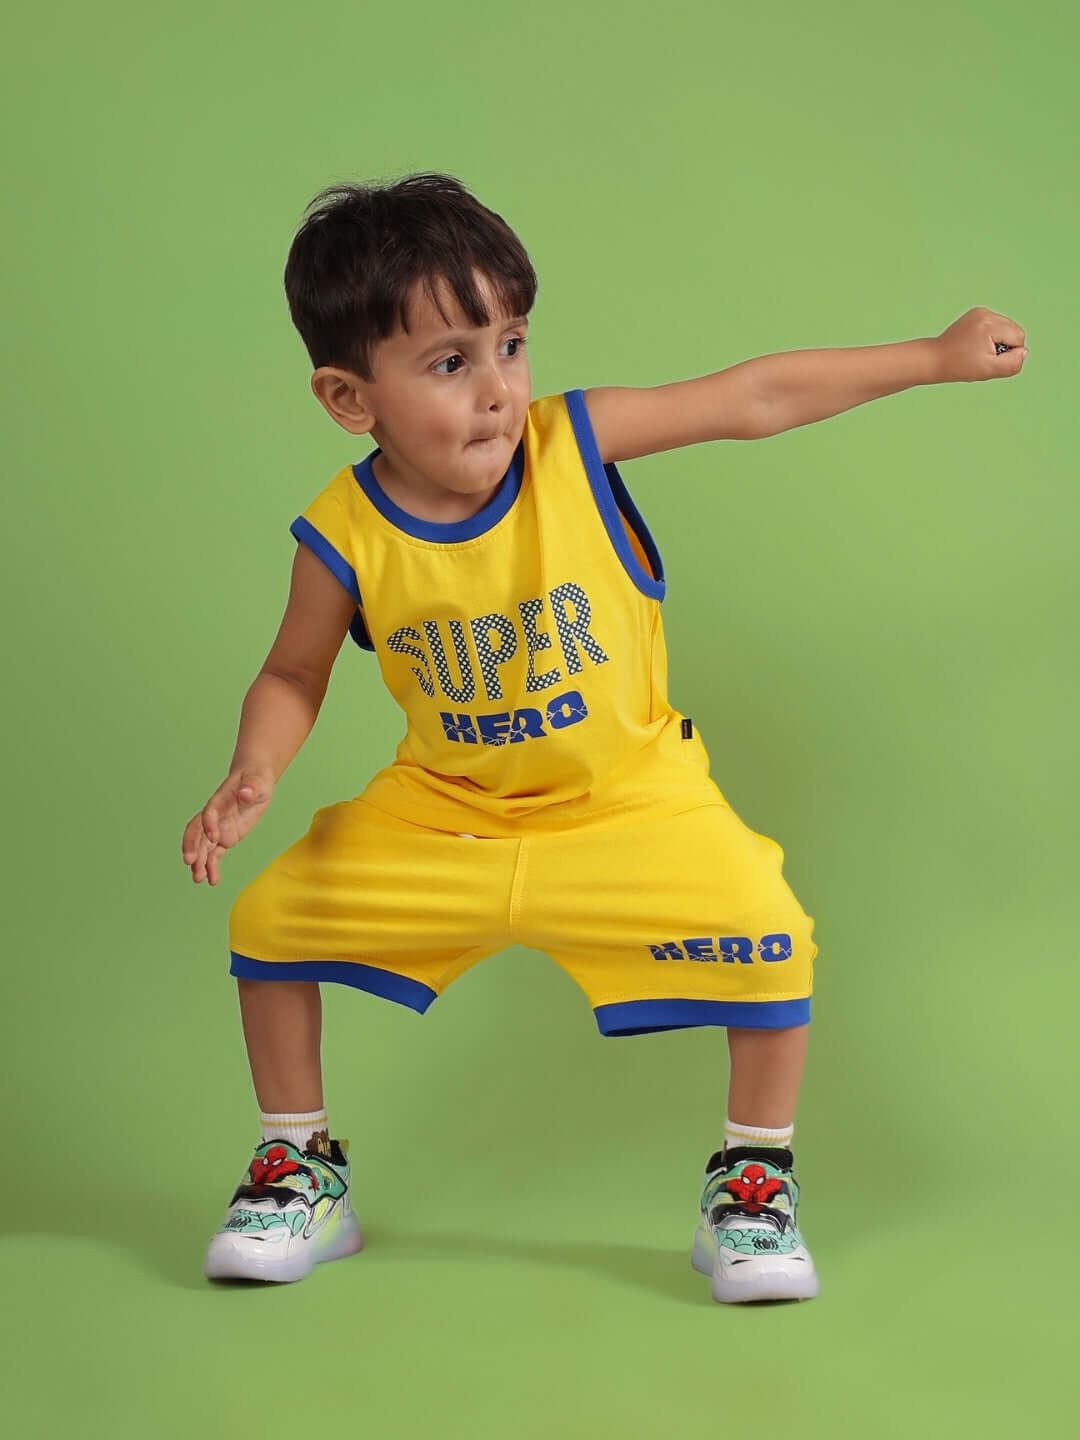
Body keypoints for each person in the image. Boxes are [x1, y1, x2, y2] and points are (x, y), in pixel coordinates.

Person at [181, 171, 1027, 1303]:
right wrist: (256, 766)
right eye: (449, 362)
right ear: (348, 397)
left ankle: (751, 1184)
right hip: (450, 814)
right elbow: (294, 670)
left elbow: (755, 396)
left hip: (632, 799)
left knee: (770, 931)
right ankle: (303, 1169)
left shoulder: (571, 443)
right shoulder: (342, 530)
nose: (496, 389)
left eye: (511, 344)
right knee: (271, 921)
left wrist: (931, 355)